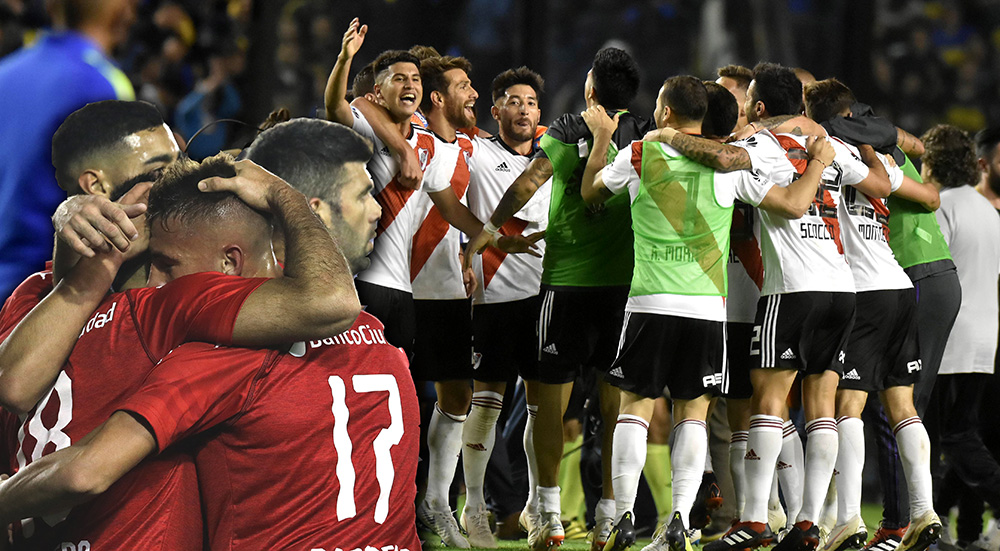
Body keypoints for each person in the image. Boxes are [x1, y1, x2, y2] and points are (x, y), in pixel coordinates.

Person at [0, 121, 421, 550]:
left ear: (228, 265)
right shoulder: (375, 335)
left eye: (164, 261)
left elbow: (83, 469)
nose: (157, 280)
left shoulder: (207, 346)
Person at [583, 75, 834, 551]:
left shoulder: (641, 153)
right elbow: (791, 203)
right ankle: (679, 517)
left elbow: (592, 192)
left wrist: (600, 140)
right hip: (706, 312)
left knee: (634, 410)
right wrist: (817, 164)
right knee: (692, 416)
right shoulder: (732, 167)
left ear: (667, 112)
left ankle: (622, 516)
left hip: (649, 303)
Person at [648, 62, 890, 551]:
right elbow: (882, 187)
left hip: (792, 290)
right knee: (822, 407)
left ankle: (754, 520)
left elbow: (719, 159)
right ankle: (807, 524)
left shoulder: (762, 144)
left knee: (767, 403)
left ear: (758, 106)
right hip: (843, 289)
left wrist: (668, 137)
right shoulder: (834, 146)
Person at [465, 47, 652, 550]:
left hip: (566, 284)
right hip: (623, 289)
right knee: (616, 410)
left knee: (548, 406)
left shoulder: (569, 129)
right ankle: (611, 516)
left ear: (591, 88)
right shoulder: (647, 134)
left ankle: (547, 515)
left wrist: (486, 231)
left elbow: (529, 182)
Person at [802, 79, 942, 551]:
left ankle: (847, 519)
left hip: (863, 291)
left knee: (848, 406)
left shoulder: (826, 152)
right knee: (902, 405)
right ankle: (924, 512)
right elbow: (929, 196)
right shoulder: (877, 157)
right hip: (900, 288)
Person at [462, 66, 549, 548]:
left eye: (532, 102)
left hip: (545, 298)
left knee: (543, 407)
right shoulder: (476, 151)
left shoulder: (555, 156)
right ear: (494, 110)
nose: (524, 109)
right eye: (513, 100)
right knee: (486, 405)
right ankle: (475, 508)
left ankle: (540, 508)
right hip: (493, 298)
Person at [0, 0, 137, 299]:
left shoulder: (6, 71)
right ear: (123, 10)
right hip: (33, 292)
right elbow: (113, 206)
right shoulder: (103, 84)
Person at [925, 124, 1000, 528]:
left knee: (945, 438)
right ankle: (937, 522)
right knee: (961, 434)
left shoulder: (941, 206)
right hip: (984, 339)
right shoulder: (986, 209)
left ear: (933, 163)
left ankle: (924, 522)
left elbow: (936, 274)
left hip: (950, 341)